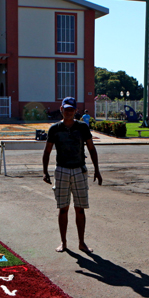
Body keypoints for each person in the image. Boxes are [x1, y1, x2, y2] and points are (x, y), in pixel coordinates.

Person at [42, 96, 102, 253]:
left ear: (76, 111)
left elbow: (91, 148)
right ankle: (64, 242)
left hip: (79, 170)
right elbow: (47, 151)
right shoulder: (55, 129)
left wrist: (97, 169)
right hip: (61, 170)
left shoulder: (82, 127)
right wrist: (45, 172)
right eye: (66, 109)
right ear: (61, 109)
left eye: (71, 110)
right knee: (63, 208)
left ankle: (82, 243)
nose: (68, 112)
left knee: (80, 208)